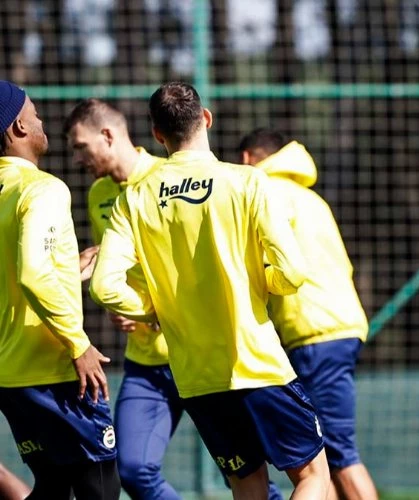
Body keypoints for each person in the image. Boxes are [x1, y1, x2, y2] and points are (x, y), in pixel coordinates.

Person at [90, 81, 329, 499]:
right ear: (206, 119)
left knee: (247, 486)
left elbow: (103, 287)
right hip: (257, 365)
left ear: (158, 134)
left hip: (197, 379)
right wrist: (260, 282)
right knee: (313, 477)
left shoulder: (135, 198)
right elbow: (292, 273)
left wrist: (152, 307)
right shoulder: (248, 182)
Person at [239, 128, 378, 500]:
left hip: (318, 333)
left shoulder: (269, 193)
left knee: (339, 452)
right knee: (320, 455)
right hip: (334, 327)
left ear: (248, 159)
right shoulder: (310, 199)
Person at [0, 80, 120, 499]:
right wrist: (78, 344)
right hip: (53, 371)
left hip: (10, 375)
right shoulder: (41, 188)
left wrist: (67, 269)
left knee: (52, 485)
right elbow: (33, 274)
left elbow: (15, 271)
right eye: (34, 114)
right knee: (100, 486)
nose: (41, 121)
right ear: (18, 127)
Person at [63, 98, 183, 500]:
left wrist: (153, 309)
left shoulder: (170, 178)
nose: (77, 159)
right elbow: (115, 263)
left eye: (81, 146)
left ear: (108, 135)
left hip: (197, 353)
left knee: (247, 472)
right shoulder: (99, 193)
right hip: (145, 361)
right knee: (133, 471)